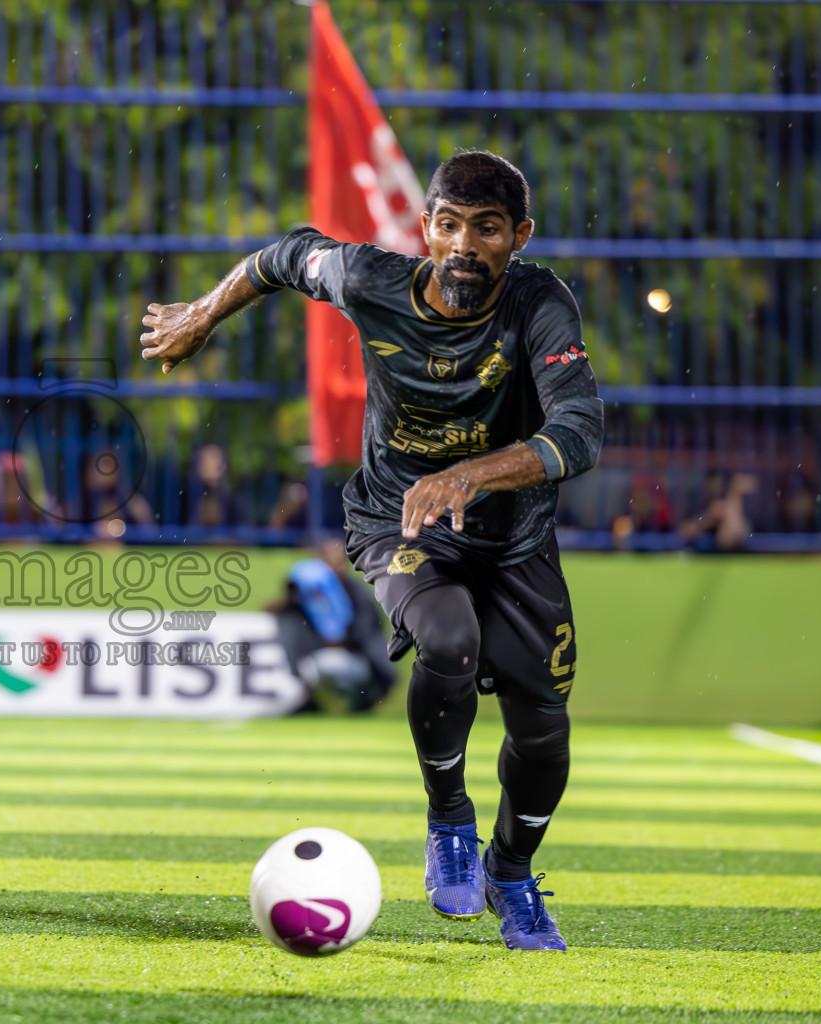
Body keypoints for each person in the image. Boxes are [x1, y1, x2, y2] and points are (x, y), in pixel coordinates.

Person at [140, 151, 603, 951]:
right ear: (424, 229)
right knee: (449, 642)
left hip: (514, 537)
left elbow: (580, 429)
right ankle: (450, 821)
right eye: (448, 224)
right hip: (400, 520)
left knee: (543, 730)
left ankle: (513, 872)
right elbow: (280, 256)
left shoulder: (541, 304)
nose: (464, 245)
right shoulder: (368, 278)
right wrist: (203, 314)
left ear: (518, 236)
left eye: (486, 229)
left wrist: (472, 473)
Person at [272, 539, 395, 714]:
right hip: (318, 661)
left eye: (339, 561)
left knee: (324, 665)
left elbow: (365, 636)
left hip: (357, 663)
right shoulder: (306, 593)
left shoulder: (356, 594)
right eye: (329, 561)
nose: (336, 567)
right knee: (311, 666)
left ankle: (358, 703)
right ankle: (312, 705)